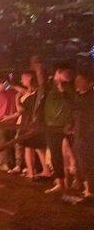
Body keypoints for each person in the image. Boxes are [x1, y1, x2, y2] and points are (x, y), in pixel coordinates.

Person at [41, 66, 75, 195]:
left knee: (73, 153)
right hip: (51, 125)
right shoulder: (49, 86)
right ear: (58, 72)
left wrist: (71, 122)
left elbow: (73, 105)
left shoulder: (69, 87)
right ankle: (60, 182)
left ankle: (78, 182)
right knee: (55, 154)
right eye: (67, 73)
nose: (70, 76)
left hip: (65, 125)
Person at [70, 71, 93, 200]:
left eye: (80, 81)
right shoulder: (78, 96)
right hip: (78, 134)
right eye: (76, 80)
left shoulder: (89, 98)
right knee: (79, 160)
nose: (77, 83)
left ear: (90, 83)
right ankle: (83, 186)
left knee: (86, 161)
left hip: (87, 135)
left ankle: (89, 189)